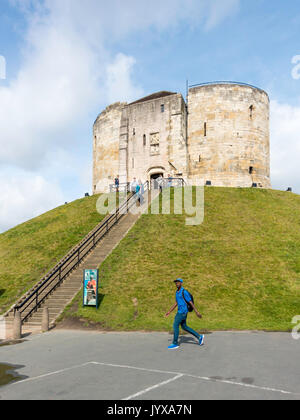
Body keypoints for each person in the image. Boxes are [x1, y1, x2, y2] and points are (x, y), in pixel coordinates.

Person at [165, 278, 204, 350]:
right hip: (180, 312)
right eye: (176, 283)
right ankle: (199, 337)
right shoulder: (177, 292)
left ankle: (175, 343)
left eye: (178, 282)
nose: (176, 284)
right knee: (184, 327)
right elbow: (176, 303)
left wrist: (196, 312)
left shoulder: (184, 292)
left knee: (175, 325)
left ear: (181, 283)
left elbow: (190, 302)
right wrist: (169, 311)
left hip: (182, 312)